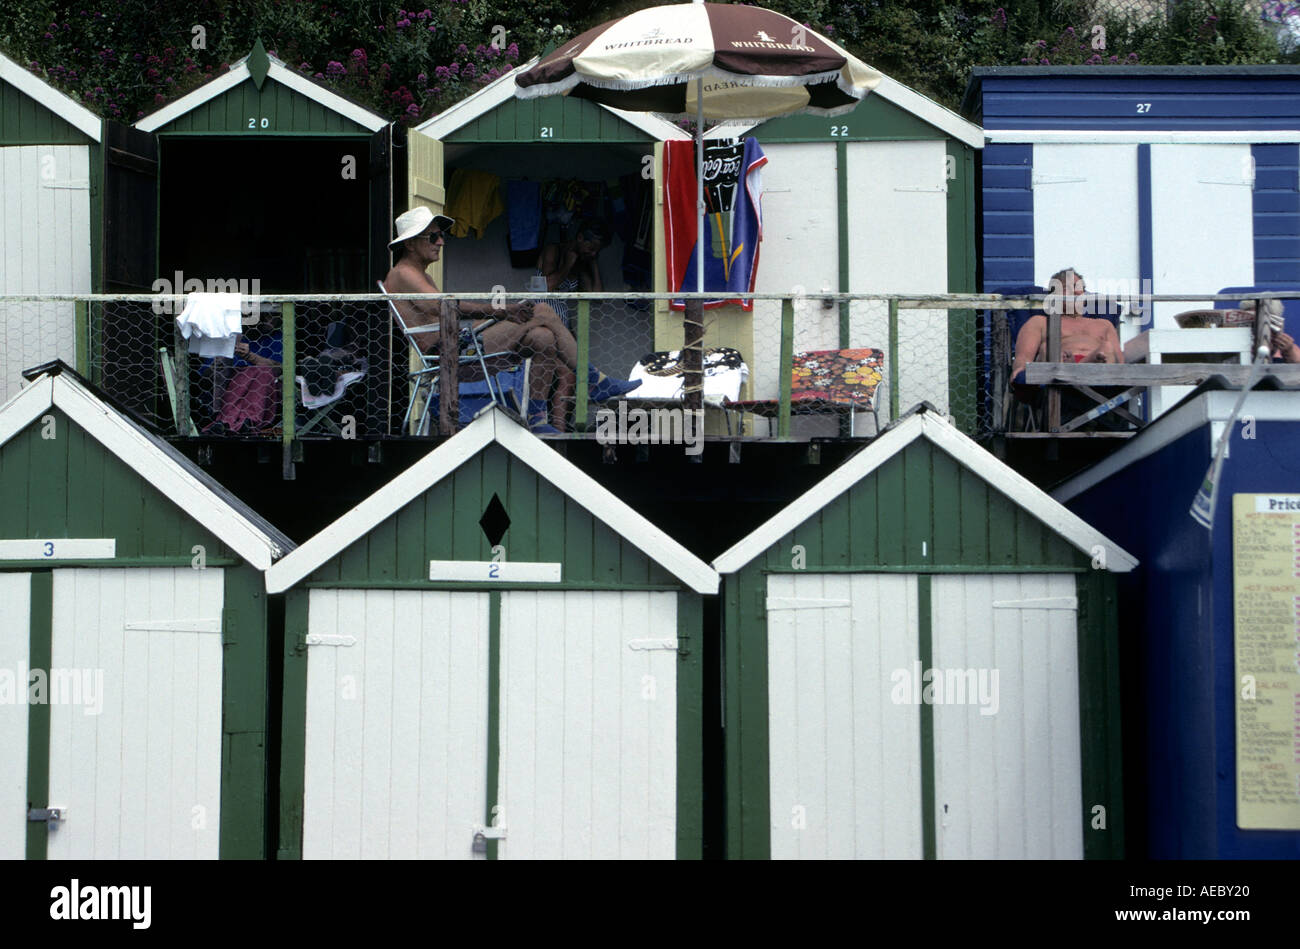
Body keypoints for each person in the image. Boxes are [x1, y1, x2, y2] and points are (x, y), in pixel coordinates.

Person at [383, 207, 639, 433]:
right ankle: (593, 381)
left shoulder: (418, 274)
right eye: (433, 236)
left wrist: (502, 311)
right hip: (450, 355)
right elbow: (446, 307)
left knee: (543, 338)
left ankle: (538, 418)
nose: (441, 242)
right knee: (542, 311)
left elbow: (444, 309)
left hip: (458, 345)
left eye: (441, 235)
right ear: (410, 244)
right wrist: (500, 311)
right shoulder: (404, 273)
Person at [1011, 268, 1124, 383]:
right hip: (1056, 375)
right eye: (1068, 288)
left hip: (1098, 376)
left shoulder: (1104, 325)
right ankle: (1073, 367)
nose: (1076, 292)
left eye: (1080, 288)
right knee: (1048, 347)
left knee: (1107, 347)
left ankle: (1081, 364)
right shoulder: (1039, 322)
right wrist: (1019, 371)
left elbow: (1120, 362)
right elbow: (1023, 358)